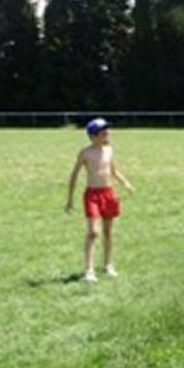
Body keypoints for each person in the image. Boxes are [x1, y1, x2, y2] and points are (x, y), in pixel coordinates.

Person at [65, 117, 135, 282]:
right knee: (93, 232)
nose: (108, 134)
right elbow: (74, 176)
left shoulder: (109, 151)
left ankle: (108, 265)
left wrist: (126, 183)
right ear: (94, 135)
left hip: (108, 193)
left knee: (108, 232)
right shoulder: (85, 153)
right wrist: (70, 199)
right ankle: (89, 271)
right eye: (104, 132)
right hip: (92, 195)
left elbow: (113, 171)